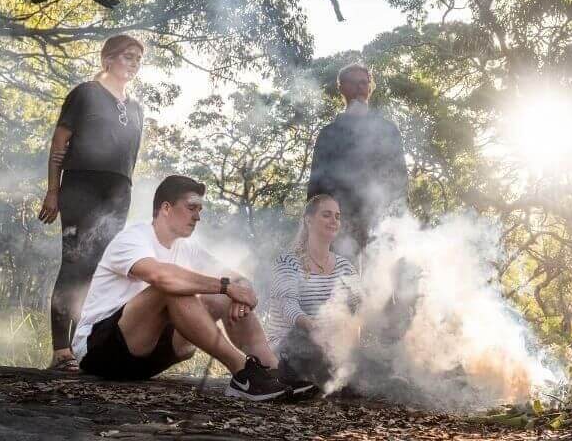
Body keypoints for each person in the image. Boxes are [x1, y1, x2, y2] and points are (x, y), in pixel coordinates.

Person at [71, 175, 285, 400]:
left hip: (150, 357)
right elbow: (161, 277)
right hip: (101, 351)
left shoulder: (187, 248)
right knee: (172, 287)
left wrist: (239, 292)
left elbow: (237, 279)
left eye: (200, 209)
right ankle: (243, 372)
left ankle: (273, 371)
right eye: (192, 208)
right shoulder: (133, 238)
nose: (198, 217)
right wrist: (225, 286)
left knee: (224, 296)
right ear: (166, 208)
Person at [40, 34, 146, 372]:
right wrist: (53, 191)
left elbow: (130, 158)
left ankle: (86, 346)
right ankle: (61, 351)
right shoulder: (85, 94)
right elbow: (60, 141)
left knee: (102, 269)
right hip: (80, 186)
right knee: (75, 264)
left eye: (138, 58)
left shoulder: (136, 108)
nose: (133, 63)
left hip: (118, 193)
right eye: (128, 56)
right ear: (108, 58)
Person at [308, 63, 407, 257]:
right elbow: (315, 189)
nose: (359, 87)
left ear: (370, 87)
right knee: (339, 284)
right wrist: (312, 230)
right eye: (353, 83)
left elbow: (400, 181)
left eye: (363, 83)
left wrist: (397, 224)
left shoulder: (388, 130)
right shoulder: (329, 134)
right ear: (342, 88)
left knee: (378, 283)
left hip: (380, 225)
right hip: (338, 228)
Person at [266, 194, 361, 390]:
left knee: (371, 364)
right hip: (289, 345)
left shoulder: (345, 266)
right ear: (309, 220)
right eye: (326, 215)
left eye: (337, 216)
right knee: (307, 344)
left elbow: (359, 306)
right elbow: (287, 305)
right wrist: (314, 326)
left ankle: (335, 375)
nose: (334, 220)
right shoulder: (287, 262)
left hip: (328, 346)